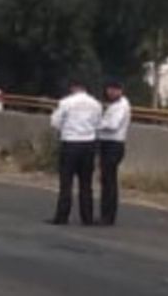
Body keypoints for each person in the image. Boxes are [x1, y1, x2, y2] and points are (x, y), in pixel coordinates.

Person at [48, 78, 103, 226]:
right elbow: (98, 125)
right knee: (86, 183)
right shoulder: (96, 104)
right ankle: (87, 217)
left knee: (66, 182)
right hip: (88, 144)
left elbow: (55, 122)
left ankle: (62, 216)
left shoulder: (66, 102)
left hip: (70, 143)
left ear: (73, 88)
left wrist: (66, 129)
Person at [97, 78, 131, 226]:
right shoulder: (113, 105)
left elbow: (113, 125)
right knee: (105, 179)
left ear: (120, 91)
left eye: (114, 90)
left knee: (109, 181)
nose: (110, 92)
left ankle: (108, 216)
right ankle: (105, 213)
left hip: (114, 144)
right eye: (109, 89)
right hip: (106, 143)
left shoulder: (121, 106)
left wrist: (97, 124)